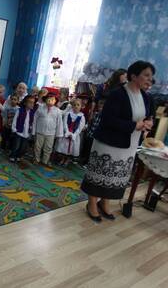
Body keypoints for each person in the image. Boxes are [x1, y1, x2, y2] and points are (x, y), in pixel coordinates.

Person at [81, 61, 154, 222]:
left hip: (129, 144)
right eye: (146, 75)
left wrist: (148, 124)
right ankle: (92, 203)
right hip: (108, 142)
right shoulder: (118, 94)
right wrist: (135, 125)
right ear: (134, 76)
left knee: (115, 177)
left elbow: (149, 116)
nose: (150, 79)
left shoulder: (146, 97)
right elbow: (108, 120)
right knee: (100, 173)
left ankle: (104, 202)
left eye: (151, 76)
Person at [32, 93, 63, 166]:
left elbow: (59, 123)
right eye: (48, 99)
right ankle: (36, 159)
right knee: (37, 147)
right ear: (45, 100)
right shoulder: (40, 108)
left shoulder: (57, 110)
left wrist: (59, 134)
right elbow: (35, 120)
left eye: (52, 99)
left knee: (48, 148)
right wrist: (33, 131)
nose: (50, 101)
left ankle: (45, 161)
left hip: (51, 133)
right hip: (40, 131)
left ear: (55, 101)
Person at [55, 99, 86, 166]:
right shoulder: (68, 114)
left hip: (74, 135)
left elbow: (80, 128)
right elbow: (65, 123)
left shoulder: (82, 117)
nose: (76, 106)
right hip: (67, 134)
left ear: (81, 106)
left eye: (78, 105)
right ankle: (63, 159)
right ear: (72, 106)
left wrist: (74, 134)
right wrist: (67, 132)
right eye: (74, 105)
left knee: (71, 148)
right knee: (64, 148)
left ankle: (68, 160)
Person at [10, 95, 36, 162]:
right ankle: (12, 156)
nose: (31, 104)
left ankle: (18, 156)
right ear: (25, 103)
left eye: (33, 102)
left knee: (23, 147)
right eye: (30, 102)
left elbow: (33, 123)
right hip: (18, 131)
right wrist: (14, 129)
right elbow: (15, 119)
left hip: (26, 133)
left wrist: (32, 132)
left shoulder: (32, 113)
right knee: (16, 146)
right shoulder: (20, 110)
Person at [82, 95, 106, 165]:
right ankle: (84, 160)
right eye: (99, 107)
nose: (100, 108)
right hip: (90, 134)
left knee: (91, 150)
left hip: (95, 136)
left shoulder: (104, 117)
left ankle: (87, 162)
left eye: (101, 107)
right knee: (86, 147)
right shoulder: (96, 114)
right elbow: (90, 122)